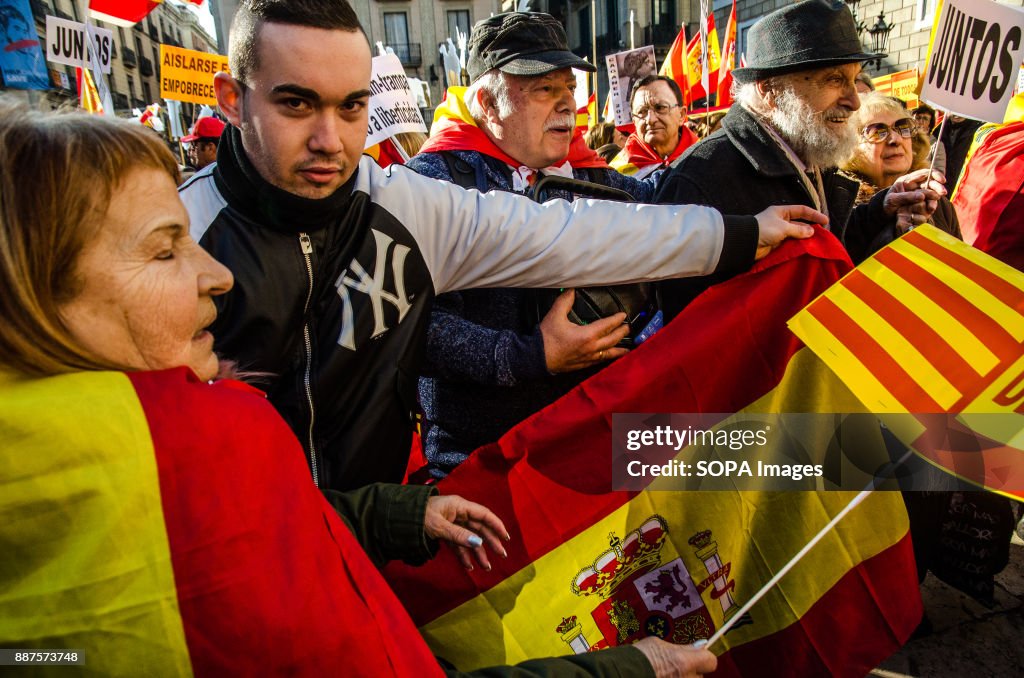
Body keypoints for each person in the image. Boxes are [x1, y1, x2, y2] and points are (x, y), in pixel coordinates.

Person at [0, 101, 719, 678]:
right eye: (165, 250)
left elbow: (278, 532)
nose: (215, 276)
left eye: (354, 107)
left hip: (452, 492)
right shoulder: (196, 448)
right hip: (471, 454)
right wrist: (523, 356)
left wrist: (388, 516)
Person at [179, 0, 822, 492]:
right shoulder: (176, 232)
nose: (329, 139)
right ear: (233, 101)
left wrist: (744, 233)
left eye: (351, 108)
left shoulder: (412, 202)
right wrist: (524, 355)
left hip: (426, 499)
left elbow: (579, 240)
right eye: (296, 104)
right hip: (436, 466)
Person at [405, 12, 665, 477]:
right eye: (545, 89)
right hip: (483, 469)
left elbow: (677, 209)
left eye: (569, 88)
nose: (568, 105)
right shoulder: (430, 183)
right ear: (486, 102)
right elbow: (415, 327)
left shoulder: (593, 175)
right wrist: (532, 355)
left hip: (593, 450)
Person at [654, 0, 944, 318]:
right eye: (834, 80)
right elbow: (690, 327)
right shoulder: (701, 176)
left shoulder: (810, 147)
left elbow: (831, 248)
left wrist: (882, 209)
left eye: (854, 78)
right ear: (770, 91)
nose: (854, 101)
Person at [840, 92, 960, 261]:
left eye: (903, 127)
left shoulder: (938, 203)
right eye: (877, 131)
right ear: (849, 147)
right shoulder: (841, 209)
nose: (895, 139)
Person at [611, 75, 698, 179]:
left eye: (660, 108)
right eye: (642, 112)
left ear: (682, 115)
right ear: (634, 121)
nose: (650, 120)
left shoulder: (705, 157)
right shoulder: (617, 173)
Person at [912, 103, 946, 174]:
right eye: (918, 118)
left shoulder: (936, 145)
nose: (921, 122)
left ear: (930, 125)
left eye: (925, 118)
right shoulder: (906, 140)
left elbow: (939, 171)